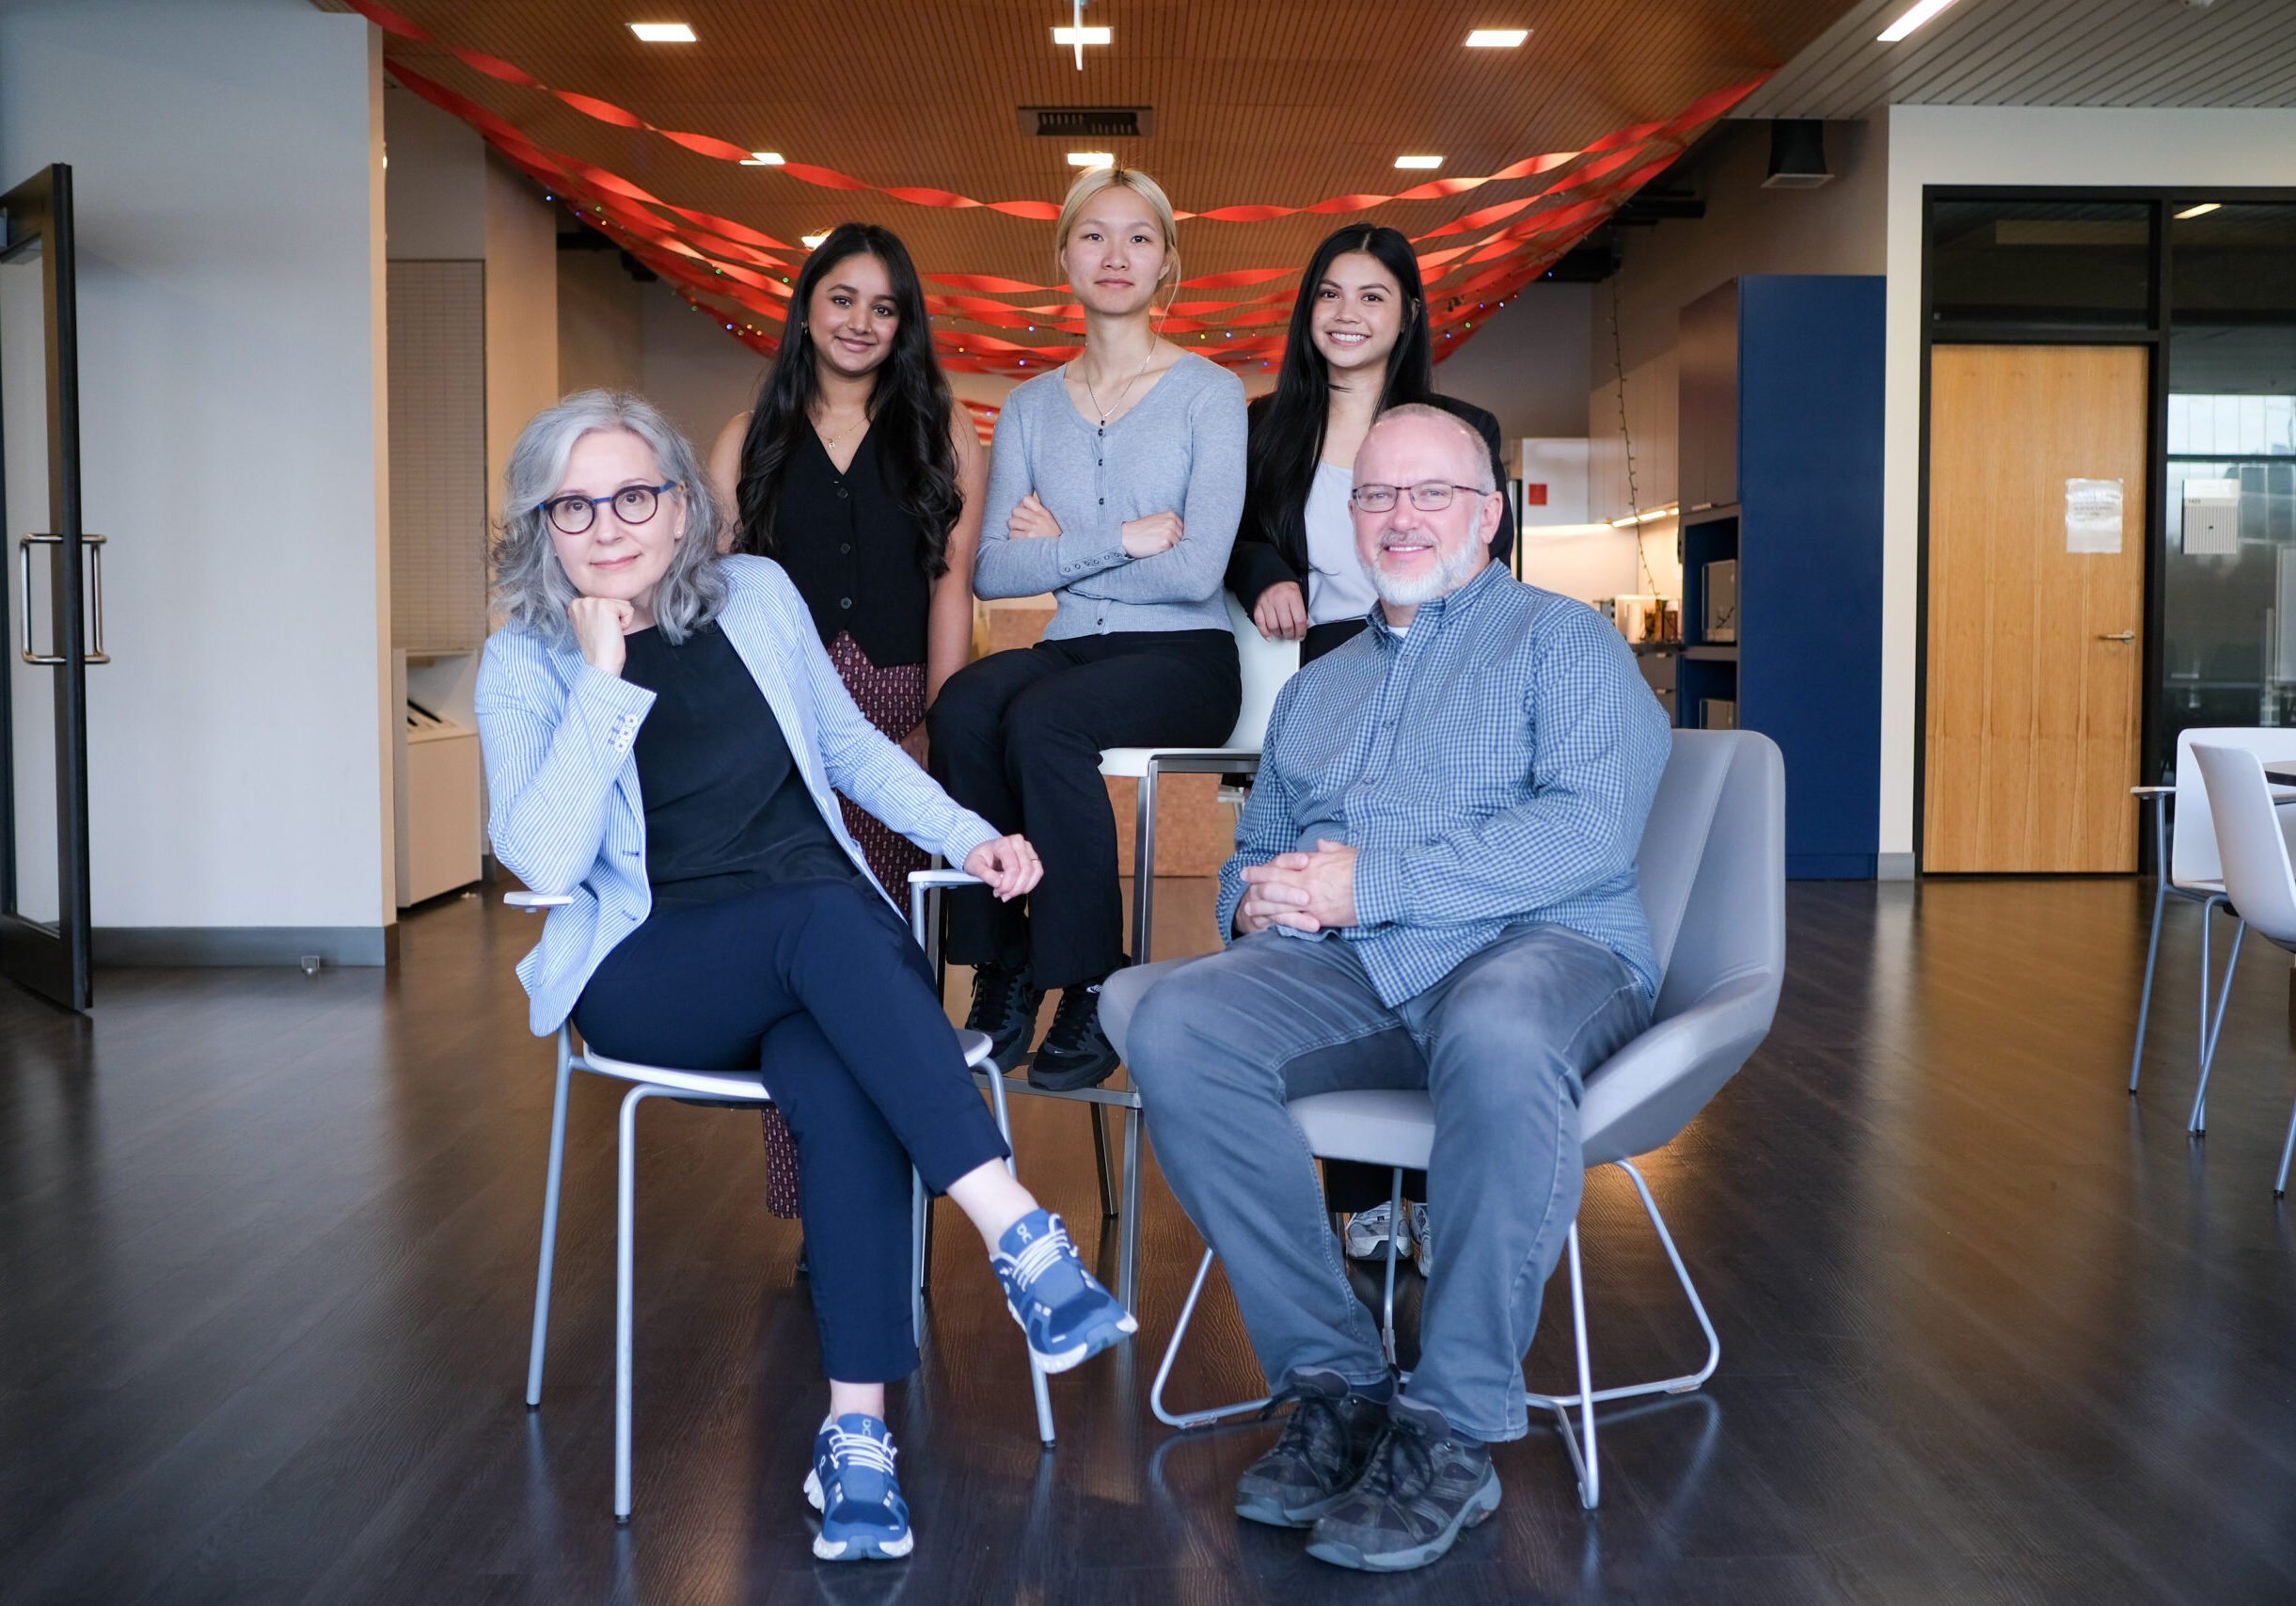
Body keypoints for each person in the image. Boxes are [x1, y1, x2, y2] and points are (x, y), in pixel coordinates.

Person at [476, 390, 1134, 1565]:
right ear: (541, 525)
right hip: (655, 970)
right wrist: (603, 678)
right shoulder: (524, 661)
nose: (608, 525)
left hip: (821, 964)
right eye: (572, 506)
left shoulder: (758, 597)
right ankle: (1019, 1234)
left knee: (835, 1067)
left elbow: (846, 749)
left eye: (633, 496)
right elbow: (539, 858)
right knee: (830, 925)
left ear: (683, 504)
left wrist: (968, 833)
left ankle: (855, 1438)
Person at [1111, 404, 1670, 1574]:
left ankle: (1453, 1424)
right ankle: (1337, 1383)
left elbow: (1586, 833)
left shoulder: (1562, 642)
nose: (1400, 516)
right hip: (1356, 970)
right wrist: (1251, 903)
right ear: (1350, 518)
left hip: (1542, 946)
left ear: (1488, 515)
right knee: (1173, 1021)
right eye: (1375, 495)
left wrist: (1368, 884)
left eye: (1430, 494)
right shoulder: (1315, 688)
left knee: (1499, 1031)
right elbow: (1254, 850)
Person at [1229, 226, 1520, 1269]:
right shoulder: (1265, 425)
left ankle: (1437, 1185)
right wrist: (1267, 573)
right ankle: (1361, 1194)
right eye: (1328, 294)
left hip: (1439, 682)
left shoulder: (1462, 428)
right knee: (1324, 928)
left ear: (1407, 315)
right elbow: (1235, 535)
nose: (1345, 313)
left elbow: (1491, 567)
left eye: (1370, 295)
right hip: (1322, 676)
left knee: (1435, 927)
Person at [927, 163, 1245, 1091]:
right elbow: (994, 571)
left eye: (1137, 237)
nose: (1115, 254)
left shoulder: (1209, 393)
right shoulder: (1029, 407)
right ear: (1062, 258)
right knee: (964, 704)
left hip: (1184, 656)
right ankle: (1003, 963)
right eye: (1093, 235)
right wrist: (1120, 538)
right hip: (1073, 648)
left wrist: (1061, 546)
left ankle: (1091, 978)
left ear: (1165, 263)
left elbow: (1196, 570)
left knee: (1042, 720)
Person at [707, 222, 987, 1225]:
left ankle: (901, 1200)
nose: (860, 322)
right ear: (806, 307)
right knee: (796, 964)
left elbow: (951, 583)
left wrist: (935, 722)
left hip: (899, 708)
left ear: (904, 324)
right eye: (841, 299)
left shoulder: (942, 432)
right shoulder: (747, 436)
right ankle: (822, 1209)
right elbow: (721, 601)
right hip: (779, 722)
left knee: (891, 959)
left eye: (884, 307)